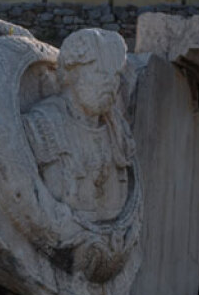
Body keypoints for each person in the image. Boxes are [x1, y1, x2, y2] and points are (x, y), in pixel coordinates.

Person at [22, 28, 133, 222]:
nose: (110, 83)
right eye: (99, 73)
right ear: (71, 74)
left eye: (115, 75)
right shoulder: (42, 126)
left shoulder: (118, 134)